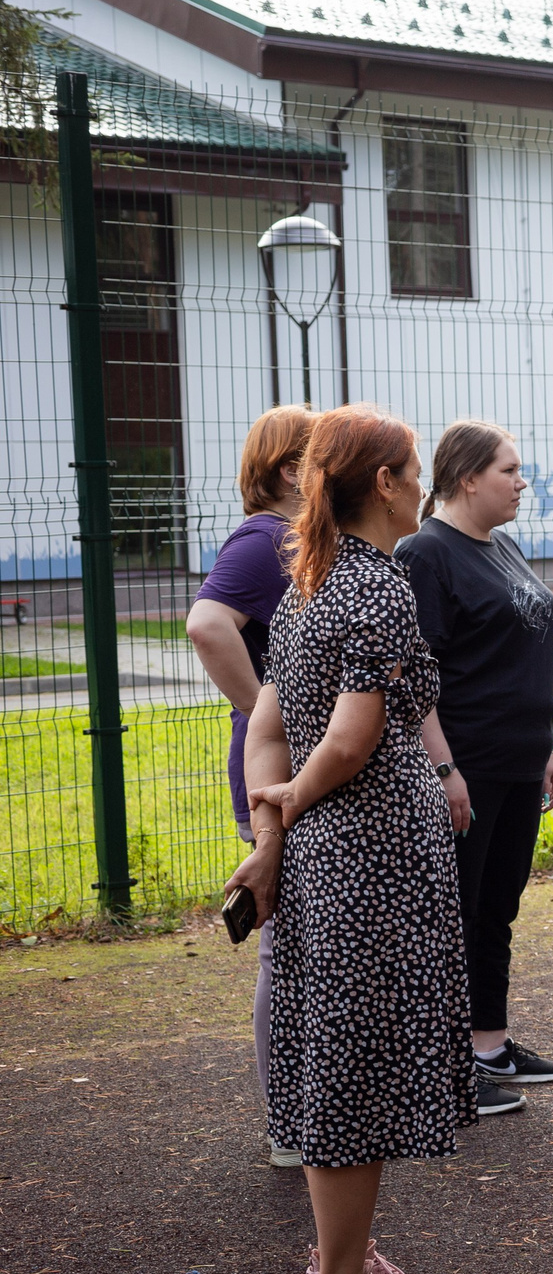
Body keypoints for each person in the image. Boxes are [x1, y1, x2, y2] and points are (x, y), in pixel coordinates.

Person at [221, 404, 471, 1274]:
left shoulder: (306, 586)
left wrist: (271, 823)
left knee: (336, 1043)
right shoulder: (378, 587)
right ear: (385, 484)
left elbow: (270, 727)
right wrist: (288, 803)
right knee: (356, 1059)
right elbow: (352, 739)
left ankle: (349, 1257)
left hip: (328, 849)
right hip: (374, 850)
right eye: (414, 470)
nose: (424, 486)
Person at [397, 419, 553, 1117]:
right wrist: (444, 769)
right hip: (466, 766)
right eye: (509, 469)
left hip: (520, 761)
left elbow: (525, 652)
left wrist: (549, 745)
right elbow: (413, 673)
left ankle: (489, 1045)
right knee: (455, 915)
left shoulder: (503, 545)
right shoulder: (424, 554)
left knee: (497, 907)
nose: (522, 481)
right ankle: (442, 1069)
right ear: (467, 477)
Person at [185, 402, 314, 1168]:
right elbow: (207, 623)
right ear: (294, 471)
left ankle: (301, 1116)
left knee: (294, 939)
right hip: (277, 772)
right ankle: (288, 1123)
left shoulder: (296, 539)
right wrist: (259, 706)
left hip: (291, 766)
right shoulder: (269, 536)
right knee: (285, 944)